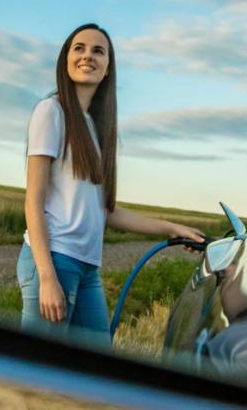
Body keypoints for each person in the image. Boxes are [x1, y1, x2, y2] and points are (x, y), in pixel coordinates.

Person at [19, 23, 204, 339]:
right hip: (55, 260)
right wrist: (47, 277)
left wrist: (173, 229)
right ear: (65, 59)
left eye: (98, 51)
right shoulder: (51, 111)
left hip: (87, 267)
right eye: (79, 48)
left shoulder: (93, 126)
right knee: (35, 369)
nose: (87, 56)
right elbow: (33, 201)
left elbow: (105, 211)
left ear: (107, 69)